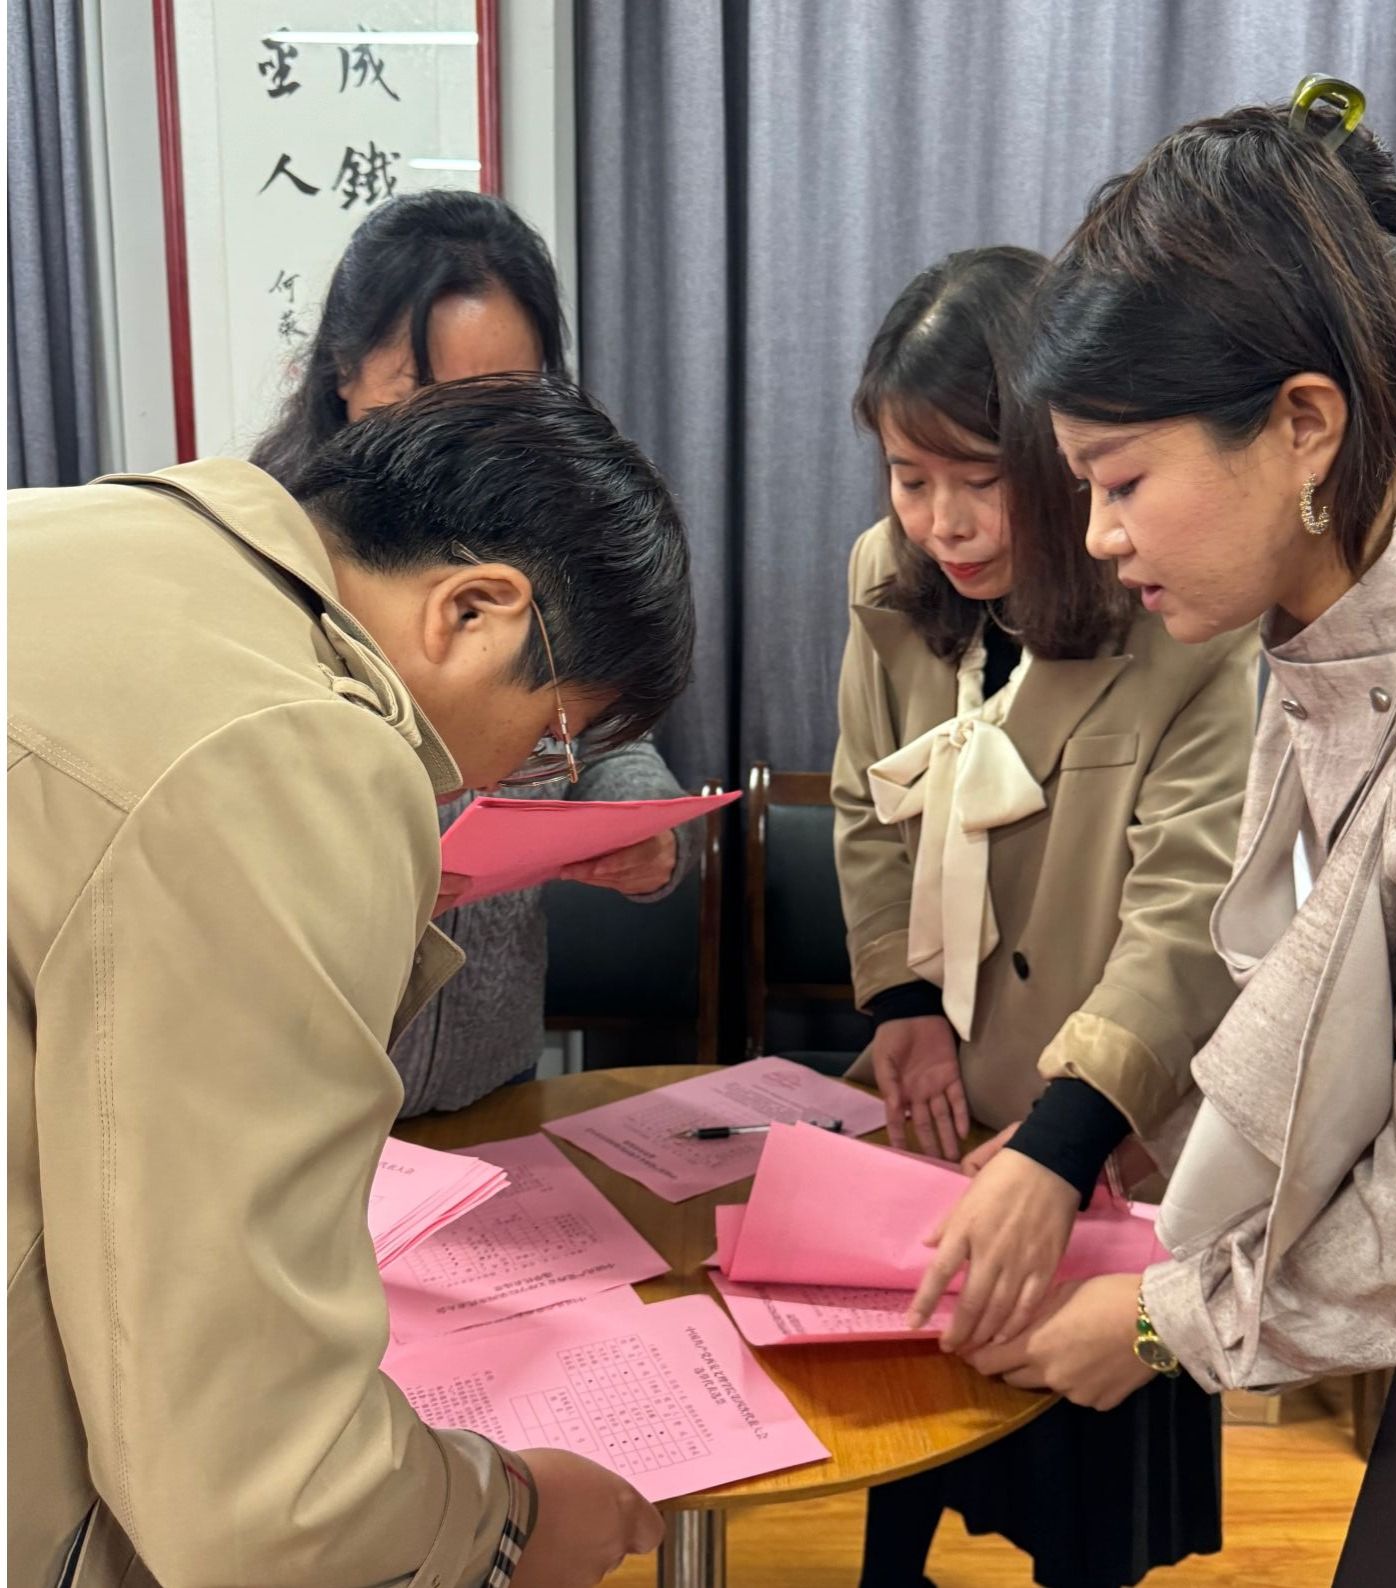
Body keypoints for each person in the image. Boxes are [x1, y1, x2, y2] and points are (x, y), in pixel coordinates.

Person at [918, 83, 1396, 1588]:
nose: (1099, 536)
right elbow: (1313, 976)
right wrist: (1134, 1146)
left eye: (1123, 482)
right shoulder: (1329, 608)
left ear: (1301, 424)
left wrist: (1159, 1324)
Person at [9, 373, 693, 1587]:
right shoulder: (294, 749)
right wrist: (511, 1523)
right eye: (550, 740)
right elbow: (260, 1490)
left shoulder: (87, 533)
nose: (516, 778)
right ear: (473, 610)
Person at [832, 246, 1257, 1588]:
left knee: (1079, 1480)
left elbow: (1189, 912)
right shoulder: (886, 581)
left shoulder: (1176, 611)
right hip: (941, 1096)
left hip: (1103, 1119)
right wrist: (902, 1007)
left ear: (1060, 460)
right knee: (906, 1430)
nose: (942, 524)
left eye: (978, 478)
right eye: (909, 479)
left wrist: (1070, 1138)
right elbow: (861, 804)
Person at [252, 188, 699, 1114]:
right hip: (308, 1097)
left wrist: (641, 823)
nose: (462, 442)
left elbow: (592, 728)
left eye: (503, 402)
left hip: (492, 1070)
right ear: (342, 371)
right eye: (421, 398)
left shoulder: (556, 537)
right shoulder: (262, 555)